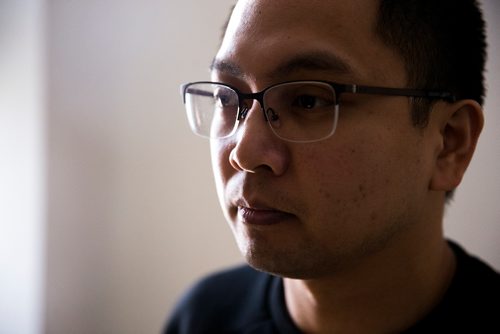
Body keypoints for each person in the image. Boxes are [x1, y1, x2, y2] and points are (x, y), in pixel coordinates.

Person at [165, 0, 500, 332]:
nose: (244, 155)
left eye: (308, 101)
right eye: (227, 98)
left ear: (449, 144)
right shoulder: (202, 318)